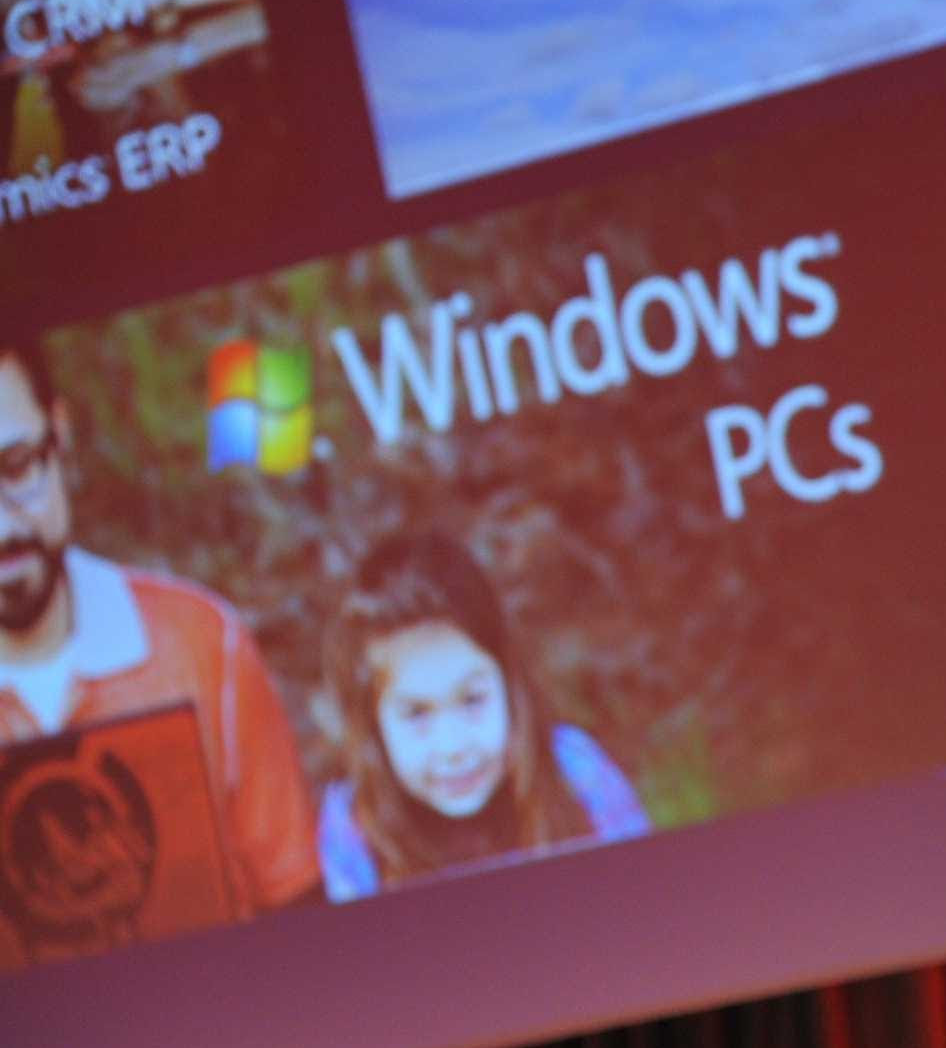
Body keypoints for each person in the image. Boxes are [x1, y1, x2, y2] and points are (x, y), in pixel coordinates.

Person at [0, 336, 319, 967]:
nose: (4, 525)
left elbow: (298, 905)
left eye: (16, 469)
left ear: (60, 435)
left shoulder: (203, 642)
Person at [318, 529, 651, 901]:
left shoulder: (575, 772)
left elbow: (647, 898)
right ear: (374, 723)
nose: (453, 747)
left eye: (473, 700)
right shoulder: (356, 828)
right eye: (416, 714)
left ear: (508, 680)